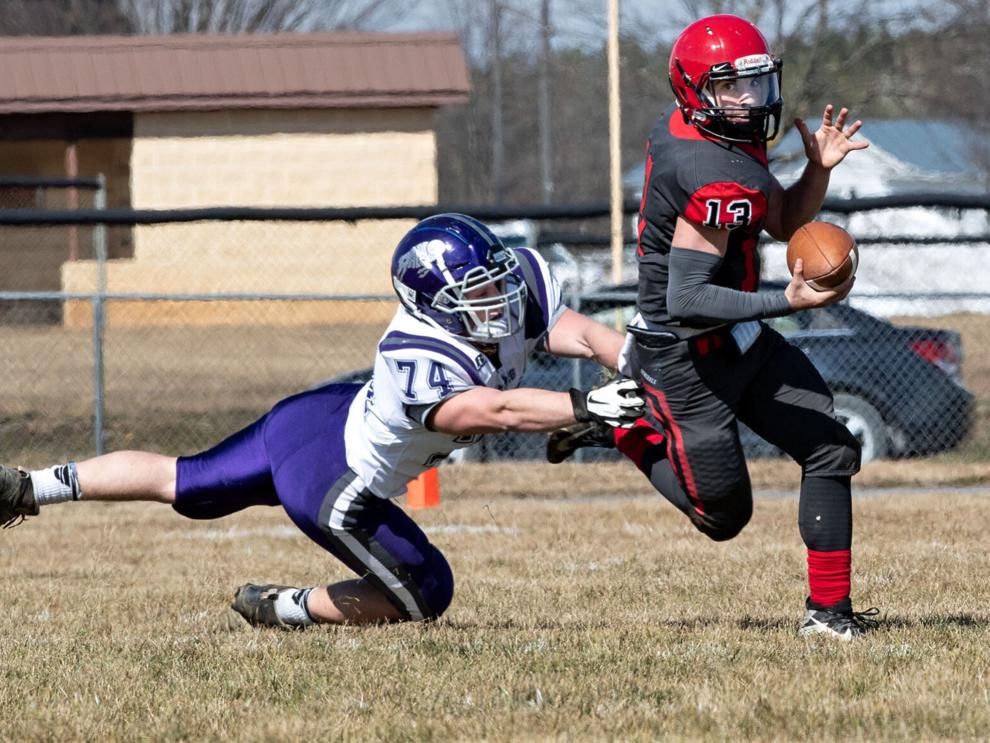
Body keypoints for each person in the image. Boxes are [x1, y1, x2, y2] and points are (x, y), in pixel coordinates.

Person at [0, 213, 644, 628]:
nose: (497, 297)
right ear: (433, 305)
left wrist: (635, 367)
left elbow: (580, 331)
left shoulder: (509, 293)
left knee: (184, 478)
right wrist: (583, 405)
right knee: (426, 593)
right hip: (335, 481)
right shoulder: (415, 352)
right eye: (474, 291)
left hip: (316, 416)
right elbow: (486, 409)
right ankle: (287, 607)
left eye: (495, 280)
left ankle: (29, 487)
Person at [548, 15, 878, 639]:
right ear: (696, 91)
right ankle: (625, 427)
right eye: (732, 87)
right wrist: (788, 301)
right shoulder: (710, 169)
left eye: (756, 82)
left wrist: (819, 169)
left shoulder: (704, 127)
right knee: (723, 518)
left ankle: (829, 616)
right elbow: (689, 298)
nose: (750, 99)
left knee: (831, 446)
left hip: (739, 338)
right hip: (685, 355)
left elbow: (783, 219)